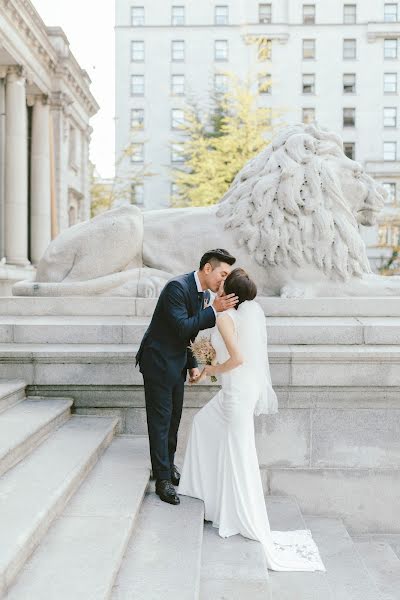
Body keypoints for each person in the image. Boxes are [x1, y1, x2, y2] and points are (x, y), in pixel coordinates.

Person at [178, 268, 326, 572]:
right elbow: (230, 352)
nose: (218, 283)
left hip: (236, 392)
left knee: (238, 450)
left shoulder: (225, 317)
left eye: (223, 282)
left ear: (230, 293)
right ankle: (207, 495)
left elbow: (238, 359)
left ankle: (235, 515)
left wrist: (209, 370)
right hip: (237, 390)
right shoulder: (239, 315)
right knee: (205, 424)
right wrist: (205, 357)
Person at [136, 249, 238, 505]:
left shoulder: (203, 294)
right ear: (207, 269)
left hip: (177, 363)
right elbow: (182, 325)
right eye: (222, 274)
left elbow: (188, 335)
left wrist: (193, 363)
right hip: (158, 362)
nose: (223, 281)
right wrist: (214, 310)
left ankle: (168, 466)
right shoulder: (176, 288)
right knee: (160, 422)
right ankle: (162, 480)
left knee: (173, 420)